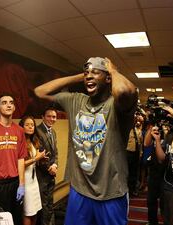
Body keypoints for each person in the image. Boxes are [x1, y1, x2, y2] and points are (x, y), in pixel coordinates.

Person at [34, 57, 137, 225]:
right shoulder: (76, 100)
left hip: (111, 192)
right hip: (80, 190)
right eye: (87, 73)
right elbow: (40, 92)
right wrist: (82, 76)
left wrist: (113, 71)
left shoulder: (116, 105)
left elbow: (126, 91)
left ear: (108, 78)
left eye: (96, 72)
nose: (89, 76)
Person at [0, 94, 28, 225]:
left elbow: (21, 158)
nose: (8, 105)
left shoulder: (19, 130)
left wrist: (22, 185)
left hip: (14, 184)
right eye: (4, 103)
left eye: (11, 102)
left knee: (16, 219)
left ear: (14, 107)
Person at [19, 116, 47, 225]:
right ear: (22, 127)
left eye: (32, 125)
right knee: (28, 212)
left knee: (35, 212)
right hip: (25, 181)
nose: (31, 127)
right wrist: (36, 158)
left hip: (34, 181)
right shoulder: (20, 143)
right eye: (27, 125)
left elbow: (34, 161)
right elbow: (21, 165)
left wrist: (41, 159)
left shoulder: (32, 141)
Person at [35, 106, 58, 225]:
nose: (52, 119)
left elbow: (55, 152)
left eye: (54, 117)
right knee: (43, 204)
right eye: (49, 116)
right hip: (42, 175)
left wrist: (55, 165)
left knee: (49, 202)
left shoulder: (52, 131)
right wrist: (50, 168)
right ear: (42, 117)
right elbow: (40, 154)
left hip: (51, 174)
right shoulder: (37, 131)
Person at [143, 123, 167, 225]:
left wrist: (166, 132)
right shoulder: (156, 129)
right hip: (153, 171)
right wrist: (151, 128)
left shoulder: (171, 132)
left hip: (166, 172)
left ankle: (166, 221)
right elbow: (146, 143)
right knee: (151, 200)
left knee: (164, 202)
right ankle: (152, 222)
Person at [126, 113, 144, 197]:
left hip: (136, 153)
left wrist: (140, 153)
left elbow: (140, 143)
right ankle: (127, 189)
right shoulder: (127, 130)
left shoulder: (138, 130)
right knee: (127, 172)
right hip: (128, 153)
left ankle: (132, 189)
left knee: (134, 173)